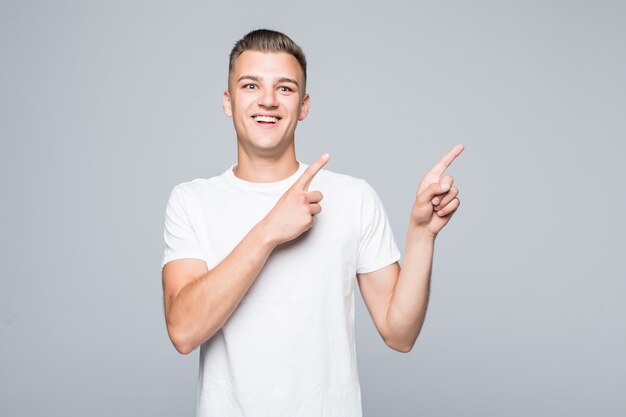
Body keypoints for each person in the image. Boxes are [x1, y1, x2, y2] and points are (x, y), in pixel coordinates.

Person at [161, 28, 463, 417]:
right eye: (251, 85)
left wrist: (422, 235)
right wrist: (270, 230)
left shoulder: (353, 197)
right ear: (227, 101)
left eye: (284, 89)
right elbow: (184, 331)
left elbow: (400, 333)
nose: (267, 100)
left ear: (303, 106)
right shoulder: (191, 201)